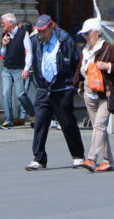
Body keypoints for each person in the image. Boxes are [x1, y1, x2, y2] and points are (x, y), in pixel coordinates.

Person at [24, 14, 85, 171]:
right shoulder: (36, 41)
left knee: (67, 123)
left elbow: (76, 60)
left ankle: (78, 156)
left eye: (44, 31)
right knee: (40, 123)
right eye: (39, 31)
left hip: (62, 87)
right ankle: (39, 158)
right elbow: (34, 60)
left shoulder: (64, 40)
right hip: (43, 88)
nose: (41, 34)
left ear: (52, 27)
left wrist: (75, 82)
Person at [74, 17, 114, 172]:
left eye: (87, 33)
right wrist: (78, 85)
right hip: (89, 94)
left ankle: (91, 159)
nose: (85, 37)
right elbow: (80, 70)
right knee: (100, 129)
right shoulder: (85, 51)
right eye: (83, 34)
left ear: (97, 33)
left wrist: (108, 66)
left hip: (106, 94)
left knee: (99, 126)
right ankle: (108, 160)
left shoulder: (109, 49)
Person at [0, 12, 35, 129]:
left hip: (19, 69)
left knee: (20, 94)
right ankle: (8, 120)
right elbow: (2, 54)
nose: (1, 24)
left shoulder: (23, 34)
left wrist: (26, 68)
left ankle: (33, 115)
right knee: (6, 93)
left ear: (11, 23)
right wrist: (3, 45)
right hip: (7, 69)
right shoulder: (5, 35)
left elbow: (29, 52)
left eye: (3, 22)